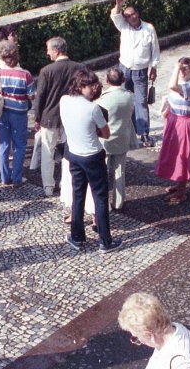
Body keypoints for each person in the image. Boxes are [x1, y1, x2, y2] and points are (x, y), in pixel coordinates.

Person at [60, 69, 121, 253]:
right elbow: (106, 133)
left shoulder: (64, 100)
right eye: (91, 86)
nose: (94, 89)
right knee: (100, 197)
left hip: (74, 154)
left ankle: (77, 237)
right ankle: (105, 241)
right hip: (93, 156)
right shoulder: (93, 108)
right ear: (80, 86)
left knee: (78, 195)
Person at [33, 37, 83, 197]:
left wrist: (37, 118)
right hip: (72, 117)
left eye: (48, 50)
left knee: (47, 152)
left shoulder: (46, 71)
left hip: (50, 117)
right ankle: (66, 184)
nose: (47, 53)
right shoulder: (79, 68)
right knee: (69, 152)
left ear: (56, 50)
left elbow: (40, 97)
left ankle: (48, 186)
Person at [110, 0, 160, 147]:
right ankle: (127, 131)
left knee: (141, 102)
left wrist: (154, 67)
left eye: (132, 14)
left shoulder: (148, 28)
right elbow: (115, 16)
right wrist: (118, 6)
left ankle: (144, 133)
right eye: (127, 16)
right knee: (125, 100)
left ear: (137, 14)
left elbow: (155, 49)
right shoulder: (124, 27)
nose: (130, 17)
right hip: (124, 69)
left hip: (141, 71)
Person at [117, 292, 190, 369]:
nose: (140, 341)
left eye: (137, 338)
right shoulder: (176, 328)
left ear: (150, 335)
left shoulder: (182, 363)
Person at [0, 40, 35, 187]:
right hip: (19, 114)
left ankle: (4, 178)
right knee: (19, 145)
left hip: (2, 112)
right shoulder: (26, 74)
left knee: (3, 145)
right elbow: (31, 95)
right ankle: (17, 179)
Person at [155, 58, 190, 205]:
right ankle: (179, 183)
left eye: (185, 69)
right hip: (174, 121)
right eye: (180, 69)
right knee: (174, 154)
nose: (181, 72)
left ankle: (181, 192)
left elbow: (172, 86)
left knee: (182, 156)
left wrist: (176, 67)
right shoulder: (180, 84)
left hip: (184, 123)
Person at [96, 67, 135, 211]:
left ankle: (103, 203)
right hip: (122, 137)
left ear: (107, 81)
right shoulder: (129, 96)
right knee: (120, 172)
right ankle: (118, 202)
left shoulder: (102, 99)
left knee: (102, 173)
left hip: (105, 140)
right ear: (123, 79)